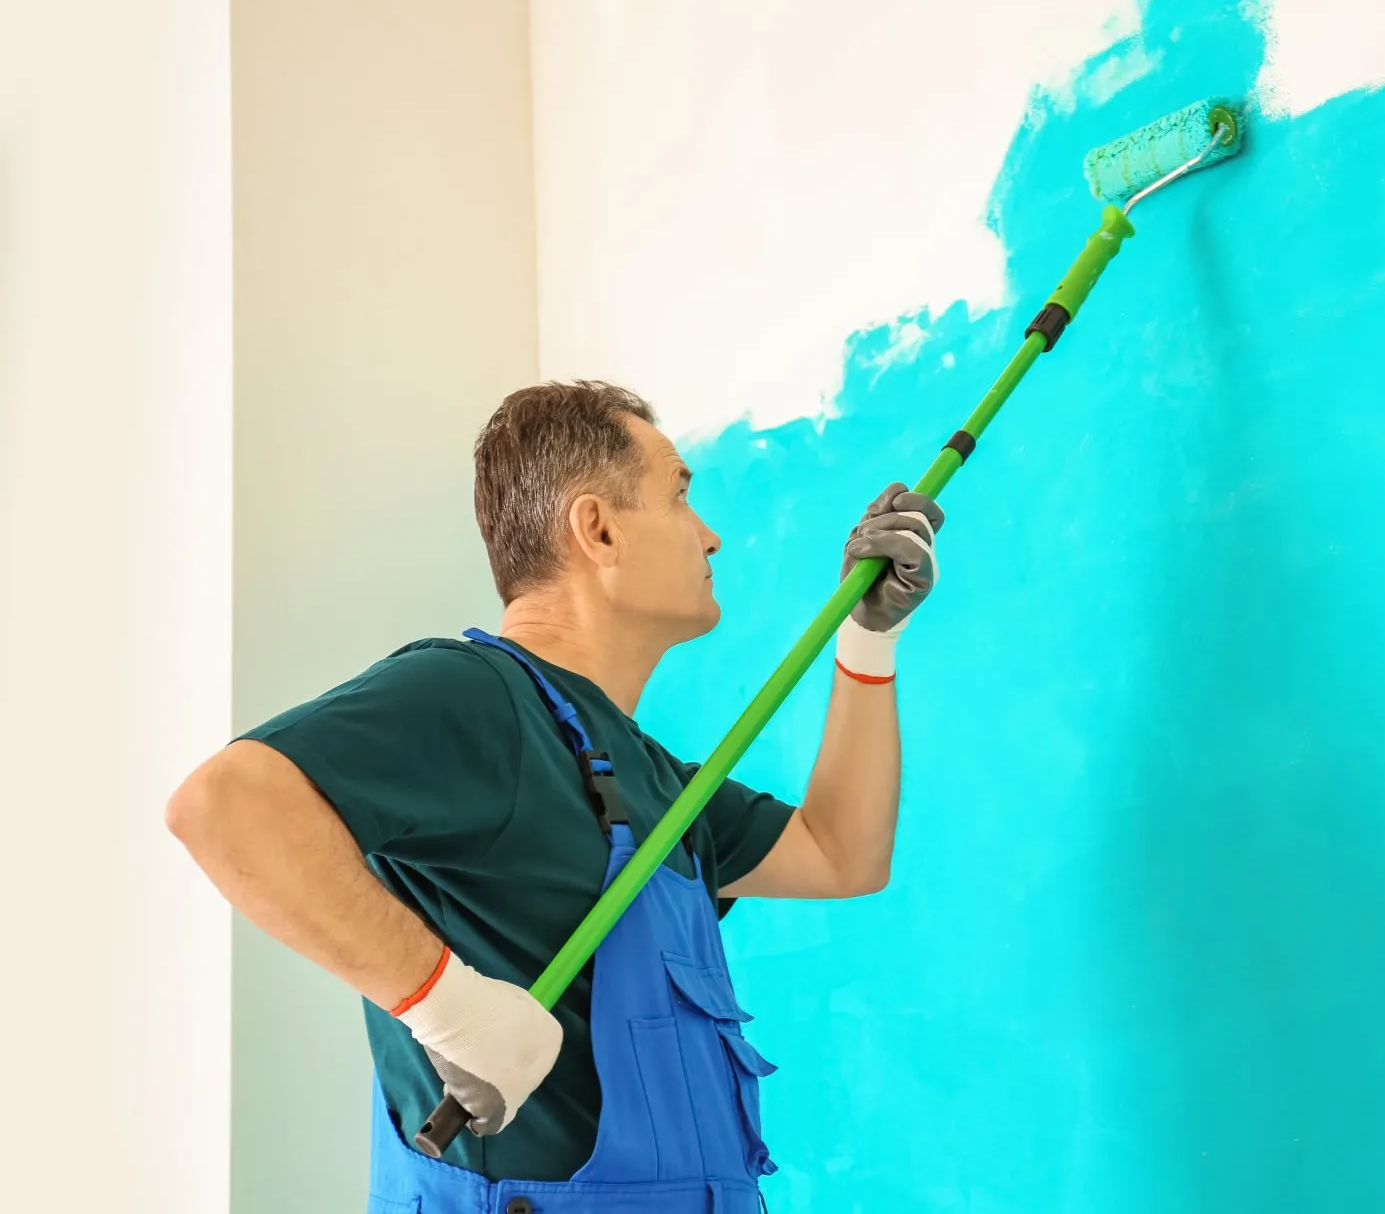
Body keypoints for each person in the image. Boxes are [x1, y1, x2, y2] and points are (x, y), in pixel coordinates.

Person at [167, 380, 942, 1213]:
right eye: (680, 497)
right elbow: (224, 803)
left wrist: (869, 638)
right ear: (597, 529)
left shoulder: (647, 777)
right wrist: (448, 1005)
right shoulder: (476, 699)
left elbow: (842, 853)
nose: (709, 536)